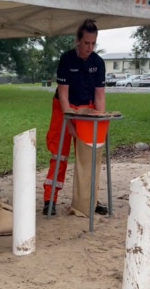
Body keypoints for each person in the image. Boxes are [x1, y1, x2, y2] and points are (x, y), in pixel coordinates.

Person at [42, 19, 108, 216]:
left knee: (89, 156)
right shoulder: (67, 59)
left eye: (93, 43)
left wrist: (100, 120)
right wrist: (69, 120)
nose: (89, 47)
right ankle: (50, 199)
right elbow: (63, 94)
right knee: (59, 153)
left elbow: (100, 96)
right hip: (63, 106)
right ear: (78, 40)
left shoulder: (98, 63)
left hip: (86, 109)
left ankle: (90, 201)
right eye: (86, 43)